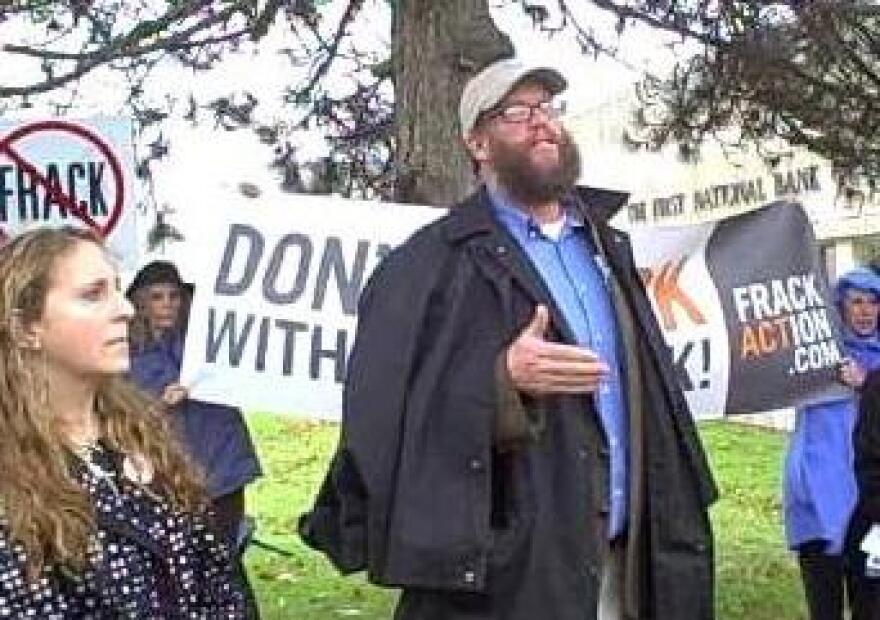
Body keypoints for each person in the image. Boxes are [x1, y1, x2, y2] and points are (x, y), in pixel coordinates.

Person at [300, 57, 717, 620]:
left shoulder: (605, 248)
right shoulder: (426, 266)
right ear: (478, 144)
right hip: (514, 584)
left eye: (546, 108)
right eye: (516, 113)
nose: (541, 122)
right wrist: (501, 383)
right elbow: (383, 428)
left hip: (632, 568)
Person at [0, 226, 246, 617]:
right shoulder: (13, 479)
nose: (125, 309)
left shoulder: (144, 435)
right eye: (93, 294)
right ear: (26, 327)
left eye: (117, 289)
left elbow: (218, 583)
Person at [126, 260, 263, 616]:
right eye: (157, 297)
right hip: (167, 471)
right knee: (179, 560)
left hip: (221, 462)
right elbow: (117, 405)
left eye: (174, 296)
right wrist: (159, 400)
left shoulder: (205, 338)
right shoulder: (125, 349)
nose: (168, 304)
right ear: (141, 302)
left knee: (224, 554)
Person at [784, 266, 880, 620]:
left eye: (873, 301)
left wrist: (865, 384)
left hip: (871, 506)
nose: (866, 310)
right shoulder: (816, 356)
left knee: (870, 606)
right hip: (817, 502)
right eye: (856, 302)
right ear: (839, 307)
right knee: (824, 607)